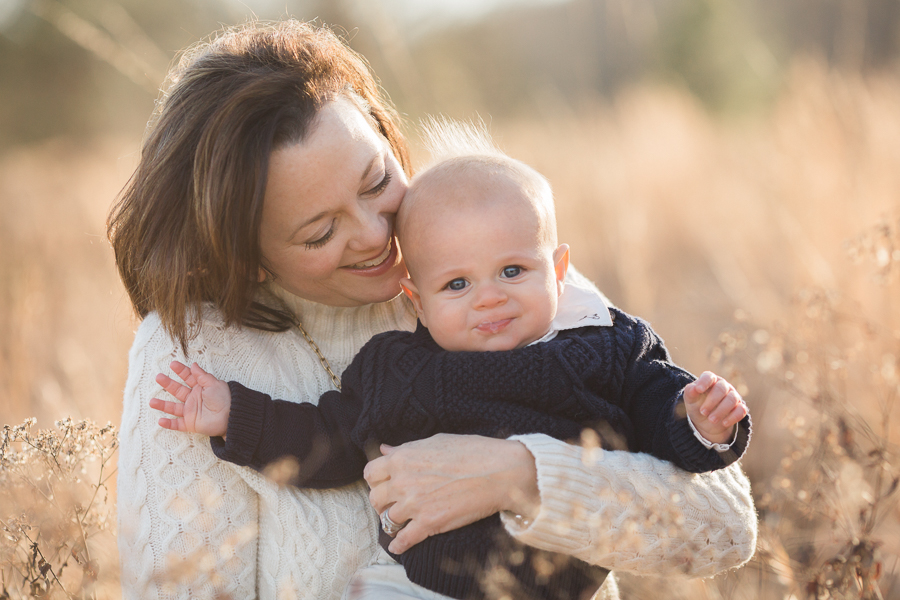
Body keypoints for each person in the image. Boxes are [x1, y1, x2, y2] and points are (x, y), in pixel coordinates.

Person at [108, 20, 757, 600]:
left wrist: (523, 477)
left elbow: (727, 531)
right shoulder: (191, 360)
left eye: (375, 180)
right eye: (319, 233)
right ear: (248, 258)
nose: (374, 232)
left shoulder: (488, 254)